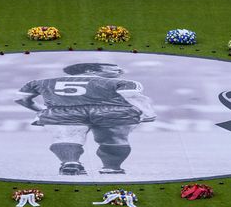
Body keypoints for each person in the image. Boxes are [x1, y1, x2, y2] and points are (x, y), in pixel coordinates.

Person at [15, 63, 155, 176]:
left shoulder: (41, 82)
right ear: (89, 70)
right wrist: (148, 113)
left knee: (66, 137)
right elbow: (132, 96)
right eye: (114, 68)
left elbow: (21, 99)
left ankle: (70, 163)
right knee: (114, 138)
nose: (120, 70)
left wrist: (40, 110)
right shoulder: (125, 82)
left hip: (64, 111)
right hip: (111, 111)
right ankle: (112, 168)